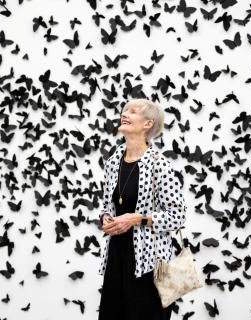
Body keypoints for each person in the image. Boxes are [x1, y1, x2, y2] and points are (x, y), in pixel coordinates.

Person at [97, 98, 187, 320]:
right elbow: (108, 205)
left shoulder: (160, 165)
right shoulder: (113, 162)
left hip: (150, 263)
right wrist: (107, 218)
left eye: (133, 111)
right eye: (124, 110)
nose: (124, 114)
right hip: (117, 256)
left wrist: (136, 218)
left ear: (148, 124)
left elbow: (178, 215)